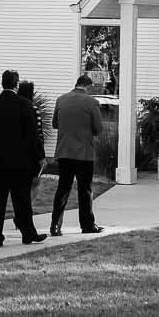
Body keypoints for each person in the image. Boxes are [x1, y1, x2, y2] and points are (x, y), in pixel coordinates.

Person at [0, 69, 47, 248]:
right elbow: (33, 134)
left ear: (2, 83)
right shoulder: (24, 105)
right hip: (20, 161)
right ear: (16, 85)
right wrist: (40, 156)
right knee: (22, 200)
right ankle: (27, 233)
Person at [50, 74, 103, 236]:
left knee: (63, 189)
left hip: (64, 151)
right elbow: (98, 128)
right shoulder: (92, 102)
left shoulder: (61, 100)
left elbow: (55, 124)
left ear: (77, 84)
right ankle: (87, 225)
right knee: (85, 190)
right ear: (89, 86)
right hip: (84, 153)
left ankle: (55, 226)